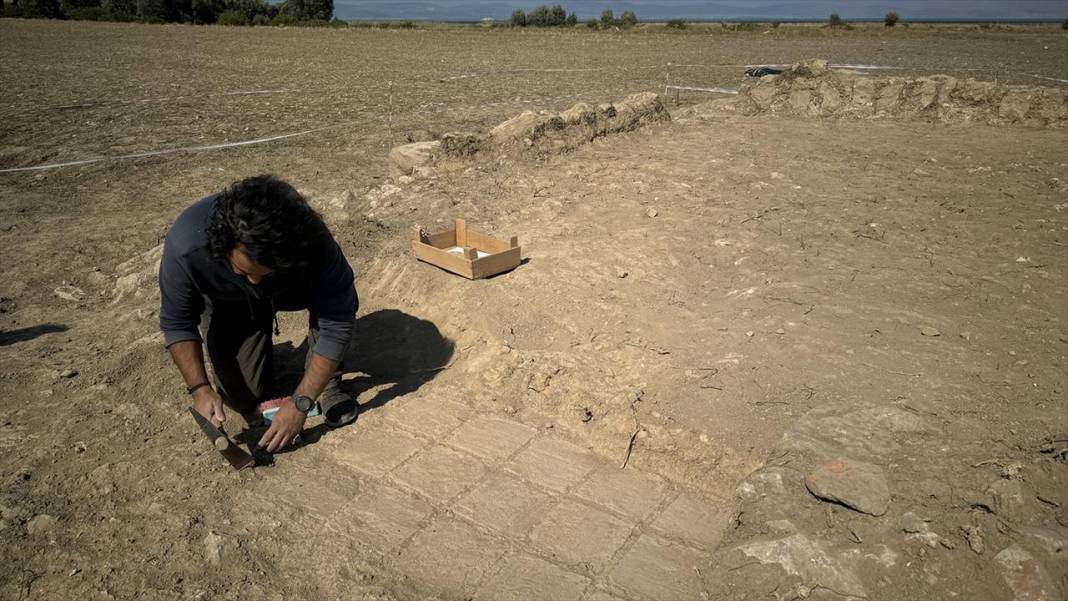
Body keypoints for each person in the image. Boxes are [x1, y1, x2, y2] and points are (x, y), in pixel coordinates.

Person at [158, 175, 358, 453]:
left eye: (263, 272)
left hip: (291, 286)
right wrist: (200, 388)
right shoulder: (187, 248)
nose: (255, 282)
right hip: (231, 299)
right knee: (242, 397)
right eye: (243, 271)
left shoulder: (310, 242)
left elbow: (337, 319)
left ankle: (329, 384)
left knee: (325, 311)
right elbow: (177, 322)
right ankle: (252, 329)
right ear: (223, 247)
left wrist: (302, 401)